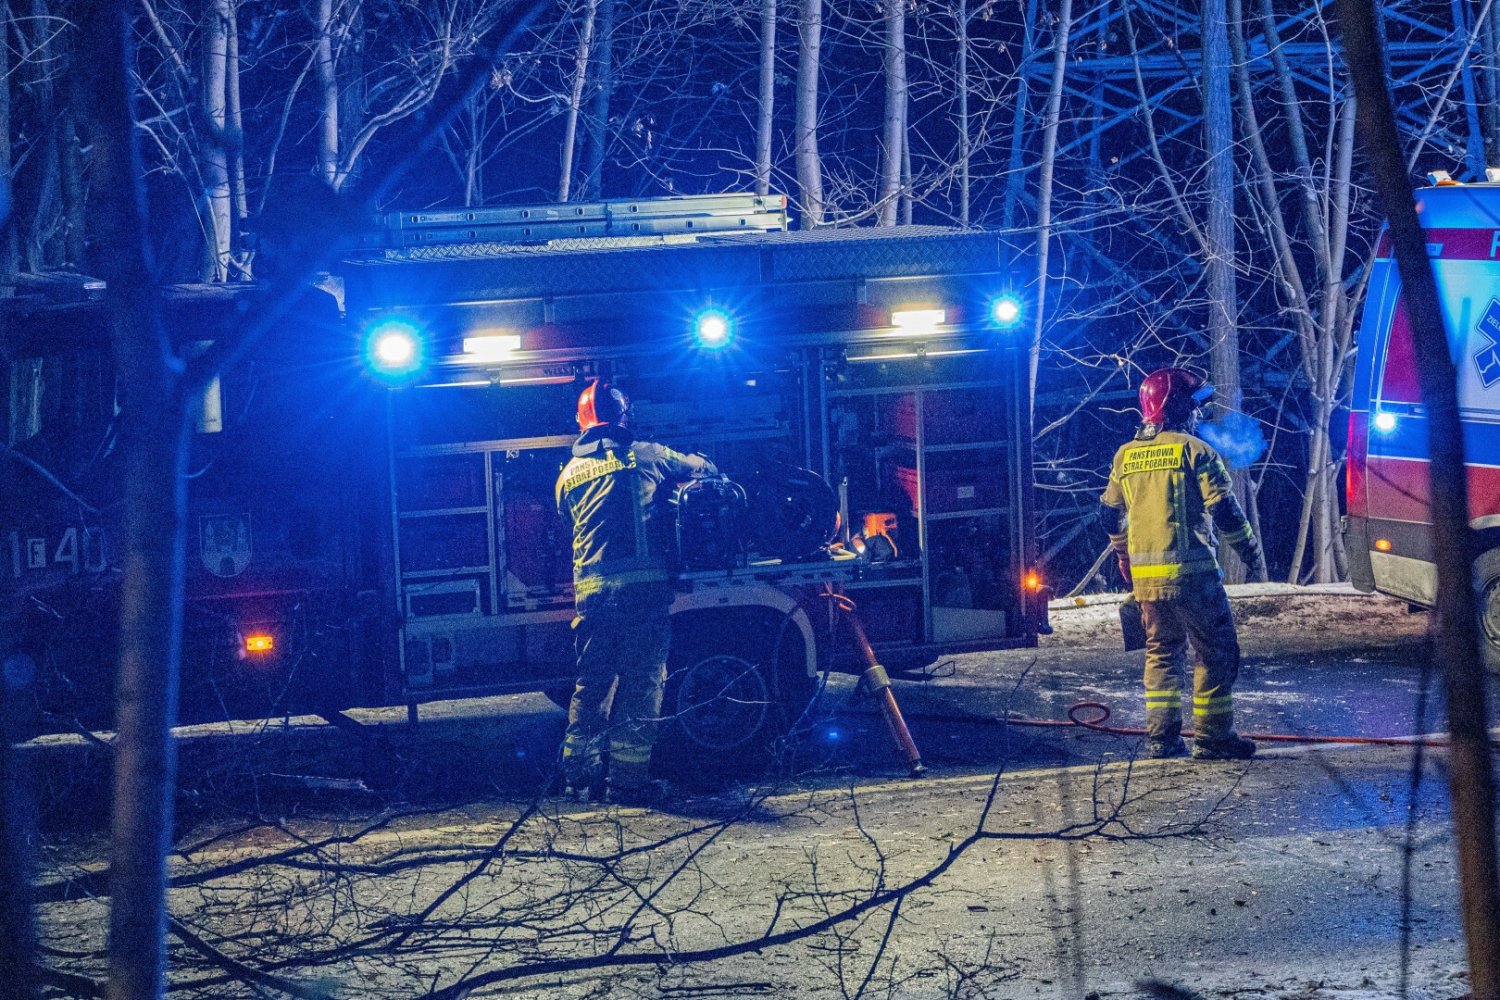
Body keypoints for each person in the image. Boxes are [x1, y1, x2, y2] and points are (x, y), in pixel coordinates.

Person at [555, 379, 717, 804]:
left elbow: (568, 519)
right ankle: (626, 785)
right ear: (625, 418)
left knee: (591, 689)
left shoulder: (568, 475)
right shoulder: (648, 455)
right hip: (642, 597)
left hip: (591, 599)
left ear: (583, 424)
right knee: (640, 688)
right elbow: (702, 471)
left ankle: (577, 780)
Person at [1099, 367, 1265, 760]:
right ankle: (1213, 739)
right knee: (1215, 652)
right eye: (1194, 406)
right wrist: (1250, 552)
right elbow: (1223, 509)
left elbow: (1108, 516)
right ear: (1177, 408)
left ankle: (1162, 739)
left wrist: (1125, 558)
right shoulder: (1195, 451)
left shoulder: (1125, 456)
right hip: (1195, 579)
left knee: (1161, 654)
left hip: (1147, 584)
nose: (1197, 414)